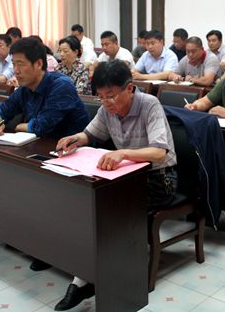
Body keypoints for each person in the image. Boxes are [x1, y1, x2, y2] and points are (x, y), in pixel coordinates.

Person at [54, 60, 177, 310]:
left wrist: (123, 153)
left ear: (129, 88)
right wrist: (74, 139)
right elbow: (90, 134)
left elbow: (159, 153)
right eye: (100, 97)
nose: (106, 102)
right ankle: (84, 271)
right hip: (126, 177)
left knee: (107, 211)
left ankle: (96, 278)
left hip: (159, 178)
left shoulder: (149, 105)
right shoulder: (106, 108)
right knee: (83, 202)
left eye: (110, 96)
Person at [0, 36, 89, 138]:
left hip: (71, 146)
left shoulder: (62, 85)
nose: (16, 71)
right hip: (41, 144)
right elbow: (2, 109)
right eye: (14, 64)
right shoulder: (25, 88)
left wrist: (19, 126)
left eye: (20, 64)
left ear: (39, 64)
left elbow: (42, 126)